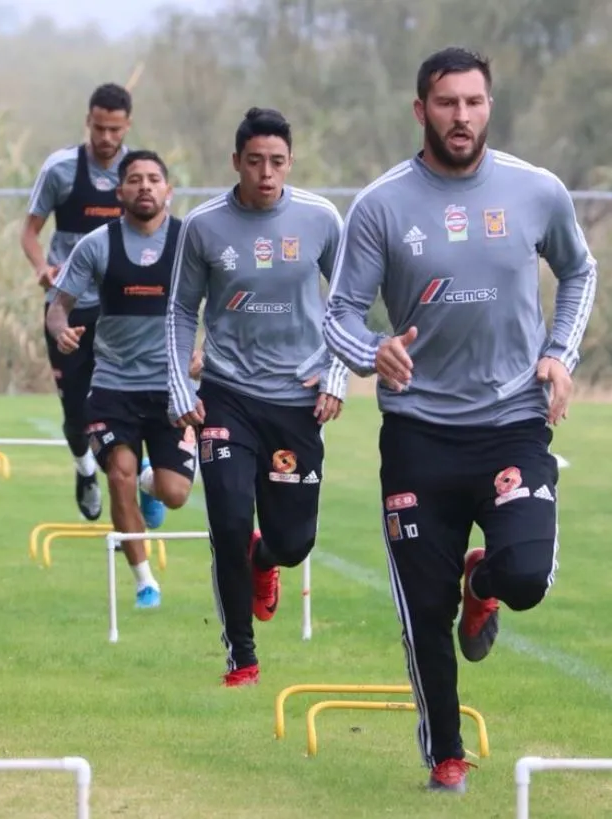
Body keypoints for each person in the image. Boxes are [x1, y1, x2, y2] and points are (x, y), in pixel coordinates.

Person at [322, 47, 596, 792]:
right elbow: (339, 313)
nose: (461, 116)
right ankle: (445, 754)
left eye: (473, 102)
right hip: (418, 433)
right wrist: (372, 351)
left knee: (527, 577)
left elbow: (579, 270)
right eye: (446, 103)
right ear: (421, 110)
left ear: (489, 106)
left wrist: (558, 353)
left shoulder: (535, 190)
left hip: (514, 419)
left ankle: (487, 584)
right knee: (424, 610)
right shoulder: (381, 205)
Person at [166, 108, 347, 687]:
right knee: (228, 518)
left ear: (290, 163)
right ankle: (241, 656)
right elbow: (180, 310)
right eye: (254, 162)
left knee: (294, 543)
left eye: (276, 162)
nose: (265, 174)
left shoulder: (320, 218)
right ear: (235, 162)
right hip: (228, 394)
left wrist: (336, 372)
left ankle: (265, 558)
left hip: (296, 398)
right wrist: (179, 385)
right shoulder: (203, 226)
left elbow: (349, 299)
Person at [46, 150, 195, 609]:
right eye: (134, 179)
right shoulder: (97, 244)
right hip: (113, 384)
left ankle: (153, 479)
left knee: (174, 494)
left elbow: (222, 301)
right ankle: (144, 582)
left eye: (153, 179)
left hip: (171, 387)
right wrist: (61, 331)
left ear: (169, 190)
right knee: (118, 475)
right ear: (120, 192)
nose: (144, 186)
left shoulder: (190, 241)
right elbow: (58, 305)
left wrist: (206, 350)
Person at [21, 83, 148, 525]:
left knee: (134, 396)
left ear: (128, 125)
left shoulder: (139, 174)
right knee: (76, 411)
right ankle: (84, 468)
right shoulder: (60, 169)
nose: (106, 137)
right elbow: (30, 232)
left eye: (115, 129)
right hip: (68, 305)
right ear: (88, 122)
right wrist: (42, 267)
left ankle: (143, 478)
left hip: (121, 307)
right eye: (99, 128)